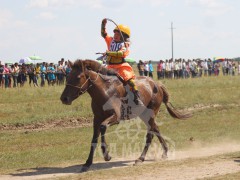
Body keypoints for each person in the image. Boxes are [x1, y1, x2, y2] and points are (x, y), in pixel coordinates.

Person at [101, 18, 143, 105]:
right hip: (110, 66)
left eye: (118, 34)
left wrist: (108, 52)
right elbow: (104, 34)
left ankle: (137, 97)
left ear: (123, 36)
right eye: (115, 33)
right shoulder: (110, 40)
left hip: (121, 66)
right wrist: (103, 25)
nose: (115, 35)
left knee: (129, 79)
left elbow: (121, 53)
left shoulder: (124, 44)